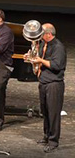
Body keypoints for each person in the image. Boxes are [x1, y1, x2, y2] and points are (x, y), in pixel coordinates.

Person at [30, 23, 66, 153]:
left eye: (41, 33)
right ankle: (46, 136)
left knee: (53, 114)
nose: (39, 36)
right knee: (45, 112)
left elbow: (56, 65)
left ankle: (53, 141)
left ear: (48, 34)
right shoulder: (43, 45)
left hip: (54, 84)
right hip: (44, 82)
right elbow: (39, 59)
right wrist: (32, 59)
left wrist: (40, 60)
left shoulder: (58, 47)